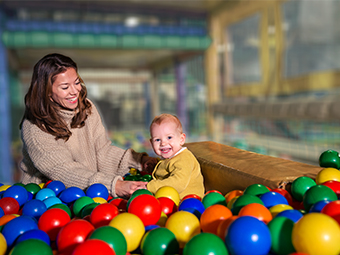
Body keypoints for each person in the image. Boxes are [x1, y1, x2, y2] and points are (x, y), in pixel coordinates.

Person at [19, 53, 157, 198]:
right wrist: (114, 185)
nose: (75, 91)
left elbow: (102, 151)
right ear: (47, 92)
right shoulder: (34, 127)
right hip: (45, 197)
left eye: (77, 82)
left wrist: (138, 161)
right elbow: (62, 170)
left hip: (90, 191)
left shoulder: (86, 108)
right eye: (65, 87)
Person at [147, 113, 205, 199]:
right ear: (151, 143)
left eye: (169, 137)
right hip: (169, 199)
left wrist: (149, 187)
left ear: (181, 139)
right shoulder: (170, 158)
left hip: (186, 202)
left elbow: (178, 182)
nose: (163, 143)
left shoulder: (184, 158)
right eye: (157, 140)